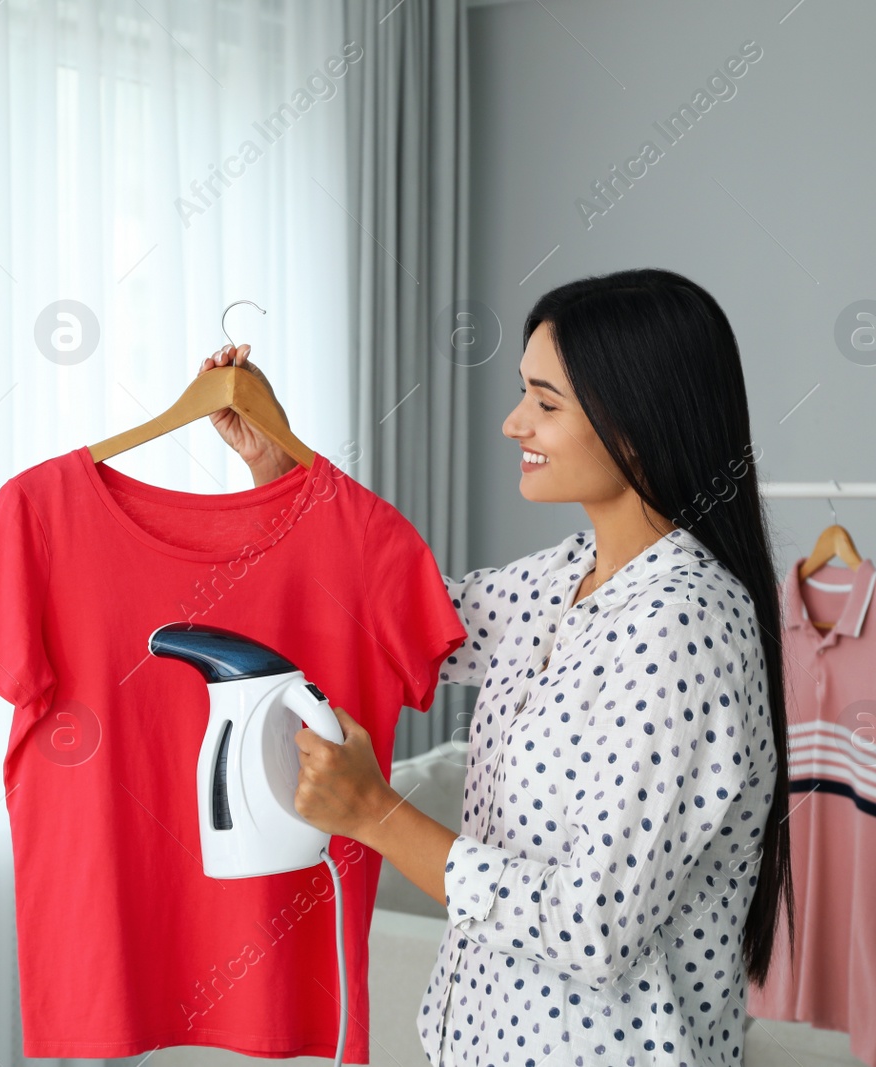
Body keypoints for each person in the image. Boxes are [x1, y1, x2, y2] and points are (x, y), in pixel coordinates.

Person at [201, 268, 793, 1067]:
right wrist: (278, 468)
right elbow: (400, 619)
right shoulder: (569, 573)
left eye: (546, 404)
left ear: (637, 421)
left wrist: (377, 814)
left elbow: (593, 925)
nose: (515, 423)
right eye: (525, 394)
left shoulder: (683, 626)